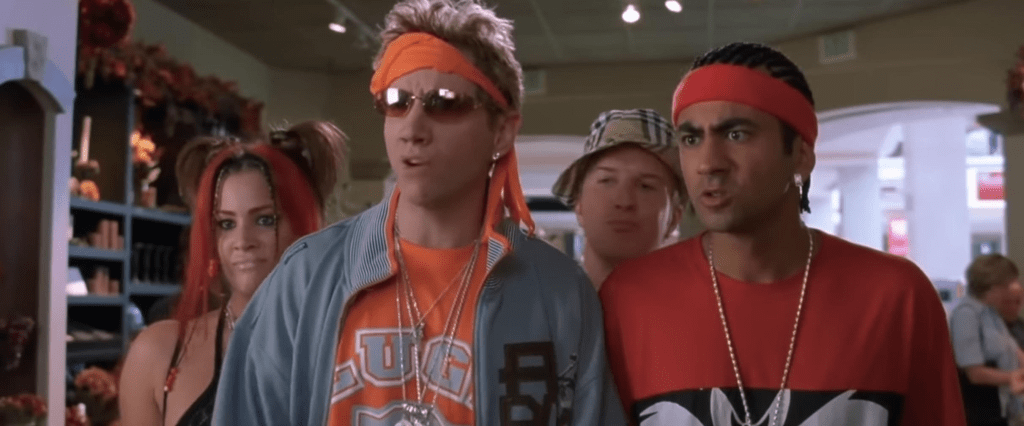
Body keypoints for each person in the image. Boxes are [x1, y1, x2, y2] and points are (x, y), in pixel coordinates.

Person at [212, 0, 625, 425]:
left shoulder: (558, 294)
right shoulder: (306, 280)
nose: (412, 128)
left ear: (501, 131)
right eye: (397, 101)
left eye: (444, 103)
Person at [600, 41, 966, 425]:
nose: (708, 163)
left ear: (800, 156)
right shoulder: (629, 298)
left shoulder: (895, 296)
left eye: (736, 135)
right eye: (691, 139)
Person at [118, 121, 347, 426]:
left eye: (265, 220)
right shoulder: (157, 353)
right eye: (226, 224)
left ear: (302, 225)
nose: (242, 241)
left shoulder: (348, 347)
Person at [550, 108, 686, 289]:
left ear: (674, 218)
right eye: (607, 181)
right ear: (579, 204)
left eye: (646, 186)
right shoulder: (542, 301)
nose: (624, 202)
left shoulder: (700, 304)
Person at [951, 254, 1024, 426]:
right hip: (980, 410)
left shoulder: (991, 313)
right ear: (992, 288)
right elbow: (974, 374)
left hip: (1002, 407)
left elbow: (1012, 347)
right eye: (1006, 286)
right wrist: (1012, 377)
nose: (1009, 291)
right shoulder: (966, 314)